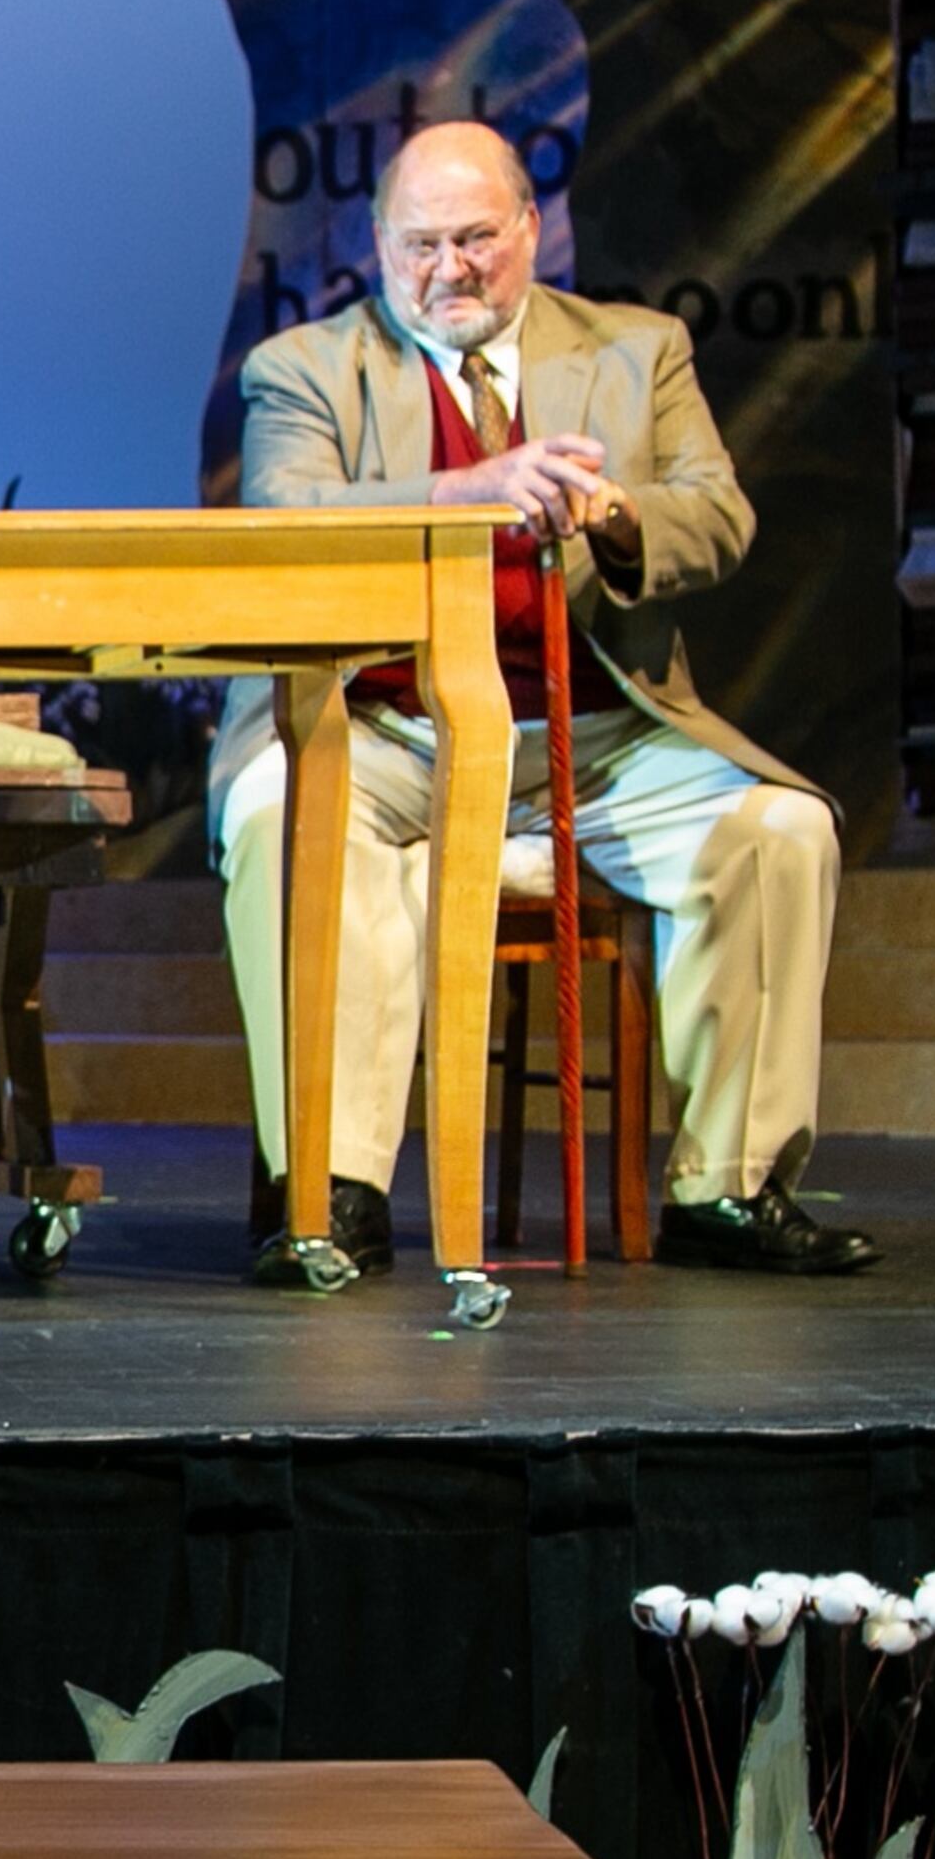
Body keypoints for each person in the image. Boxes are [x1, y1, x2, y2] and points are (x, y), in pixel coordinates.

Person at [213, 120, 876, 1284]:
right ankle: (329, 1191)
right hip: (385, 735)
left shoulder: (637, 350)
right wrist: (472, 490)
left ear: (531, 230)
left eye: (477, 238)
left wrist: (616, 516)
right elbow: (289, 520)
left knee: (782, 830)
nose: (450, 269)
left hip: (598, 740)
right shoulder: (306, 368)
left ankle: (730, 1185)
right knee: (280, 813)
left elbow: (720, 515)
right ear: (378, 245)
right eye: (422, 244)